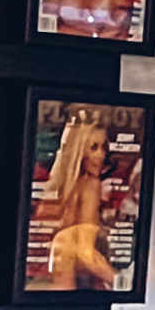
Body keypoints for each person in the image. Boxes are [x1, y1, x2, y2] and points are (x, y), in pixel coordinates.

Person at [36, 104, 121, 290]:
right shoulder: (90, 186)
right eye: (94, 148)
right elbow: (85, 253)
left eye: (104, 147)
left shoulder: (58, 188)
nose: (101, 155)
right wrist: (121, 282)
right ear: (79, 150)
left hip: (47, 286)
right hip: (71, 289)